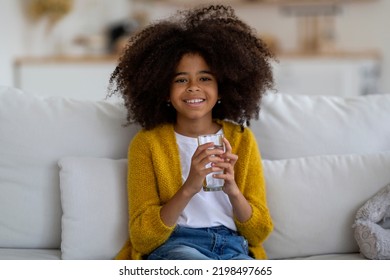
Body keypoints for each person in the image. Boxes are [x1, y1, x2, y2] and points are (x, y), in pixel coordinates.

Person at [109, 4, 275, 260]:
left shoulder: (241, 140)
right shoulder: (147, 143)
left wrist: (232, 188)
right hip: (177, 246)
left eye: (205, 78)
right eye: (181, 79)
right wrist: (189, 187)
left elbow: (258, 233)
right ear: (164, 90)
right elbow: (143, 238)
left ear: (222, 88)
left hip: (233, 247)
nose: (193, 88)